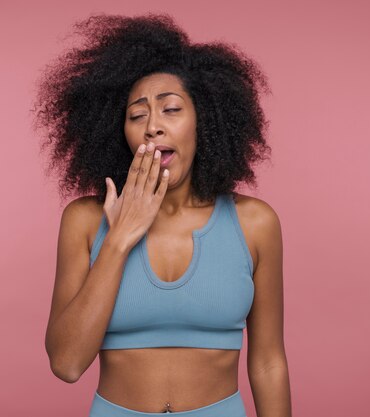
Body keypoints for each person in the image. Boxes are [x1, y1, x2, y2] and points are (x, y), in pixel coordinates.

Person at [33, 12, 291, 417]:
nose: (153, 126)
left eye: (170, 109)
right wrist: (119, 239)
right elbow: (66, 364)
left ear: (204, 122)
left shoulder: (255, 223)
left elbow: (268, 362)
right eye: (137, 116)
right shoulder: (85, 220)